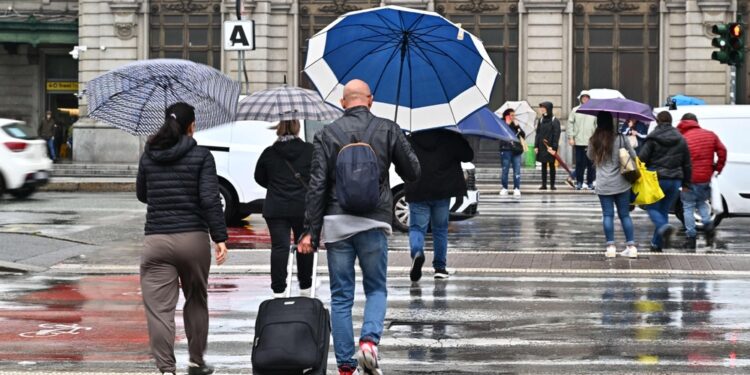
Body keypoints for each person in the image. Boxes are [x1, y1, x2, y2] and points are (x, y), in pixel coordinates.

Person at [298, 79, 420, 375]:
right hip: (374, 220)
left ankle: (345, 366)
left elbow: (317, 185)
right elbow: (413, 171)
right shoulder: (387, 128)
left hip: (337, 223)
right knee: (376, 288)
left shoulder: (326, 133)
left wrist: (310, 231)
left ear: (342, 103)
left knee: (341, 296)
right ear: (371, 100)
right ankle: (368, 343)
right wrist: (400, 144)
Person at [136, 102, 228, 375]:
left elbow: (143, 194)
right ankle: (197, 361)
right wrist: (219, 237)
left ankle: (166, 369)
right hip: (193, 239)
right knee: (196, 299)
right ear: (191, 126)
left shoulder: (149, 155)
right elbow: (210, 199)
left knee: (160, 311)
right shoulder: (202, 156)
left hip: (156, 240)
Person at [254, 119, 314, 297]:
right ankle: (305, 286)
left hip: (276, 206)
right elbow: (317, 176)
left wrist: (275, 186)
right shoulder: (309, 151)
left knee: (279, 247)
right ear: (297, 128)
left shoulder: (269, 153)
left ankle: (278, 289)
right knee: (304, 245)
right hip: (302, 206)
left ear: (279, 128)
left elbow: (259, 177)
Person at [406, 128, 474, 282]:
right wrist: (461, 137)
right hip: (442, 189)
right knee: (440, 229)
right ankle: (440, 268)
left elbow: (402, 160)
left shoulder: (412, 137)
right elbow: (468, 155)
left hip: (418, 188)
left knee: (417, 227)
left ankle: (417, 252)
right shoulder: (450, 135)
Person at [639, 111, 692, 252]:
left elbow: (642, 158)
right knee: (663, 210)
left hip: (656, 179)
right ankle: (657, 244)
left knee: (651, 208)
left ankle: (663, 227)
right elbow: (687, 163)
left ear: (657, 121)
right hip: (675, 180)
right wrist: (686, 183)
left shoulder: (653, 138)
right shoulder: (680, 138)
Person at [588, 112, 638, 258]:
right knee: (625, 215)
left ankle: (610, 247)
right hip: (622, 183)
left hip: (604, 183)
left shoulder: (594, 140)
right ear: (612, 122)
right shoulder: (621, 138)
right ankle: (631, 246)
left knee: (608, 215)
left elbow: (590, 156)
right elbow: (634, 156)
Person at [676, 113, 727, 249]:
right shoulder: (710, 135)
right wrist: (717, 168)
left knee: (687, 206)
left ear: (683, 123)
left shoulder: (682, 138)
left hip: (688, 178)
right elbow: (722, 151)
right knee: (702, 203)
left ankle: (691, 238)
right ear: (696, 122)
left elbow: (678, 159)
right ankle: (708, 226)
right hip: (705, 177)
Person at [568, 91, 597, 190]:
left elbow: (597, 126)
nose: (585, 99)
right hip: (579, 141)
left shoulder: (594, 111)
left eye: (587, 97)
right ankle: (579, 182)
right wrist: (571, 137)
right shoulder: (575, 110)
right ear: (580, 98)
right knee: (579, 163)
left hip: (591, 142)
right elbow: (570, 124)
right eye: (583, 97)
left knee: (591, 164)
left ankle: (590, 182)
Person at [498, 109, 526, 196]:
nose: (514, 117)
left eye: (514, 115)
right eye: (512, 115)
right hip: (505, 149)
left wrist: (518, 127)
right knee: (505, 170)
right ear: (507, 116)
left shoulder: (515, 125)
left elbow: (523, 135)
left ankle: (516, 188)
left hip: (516, 150)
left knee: (517, 170)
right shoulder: (501, 124)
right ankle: (504, 188)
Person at [534, 102, 561, 190]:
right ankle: (544, 184)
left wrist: (554, 148)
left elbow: (556, 135)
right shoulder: (541, 120)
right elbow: (538, 134)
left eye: (544, 108)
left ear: (548, 109)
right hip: (542, 146)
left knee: (552, 165)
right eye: (541, 108)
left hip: (550, 147)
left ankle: (552, 184)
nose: (542, 109)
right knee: (543, 165)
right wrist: (536, 146)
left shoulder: (554, 120)